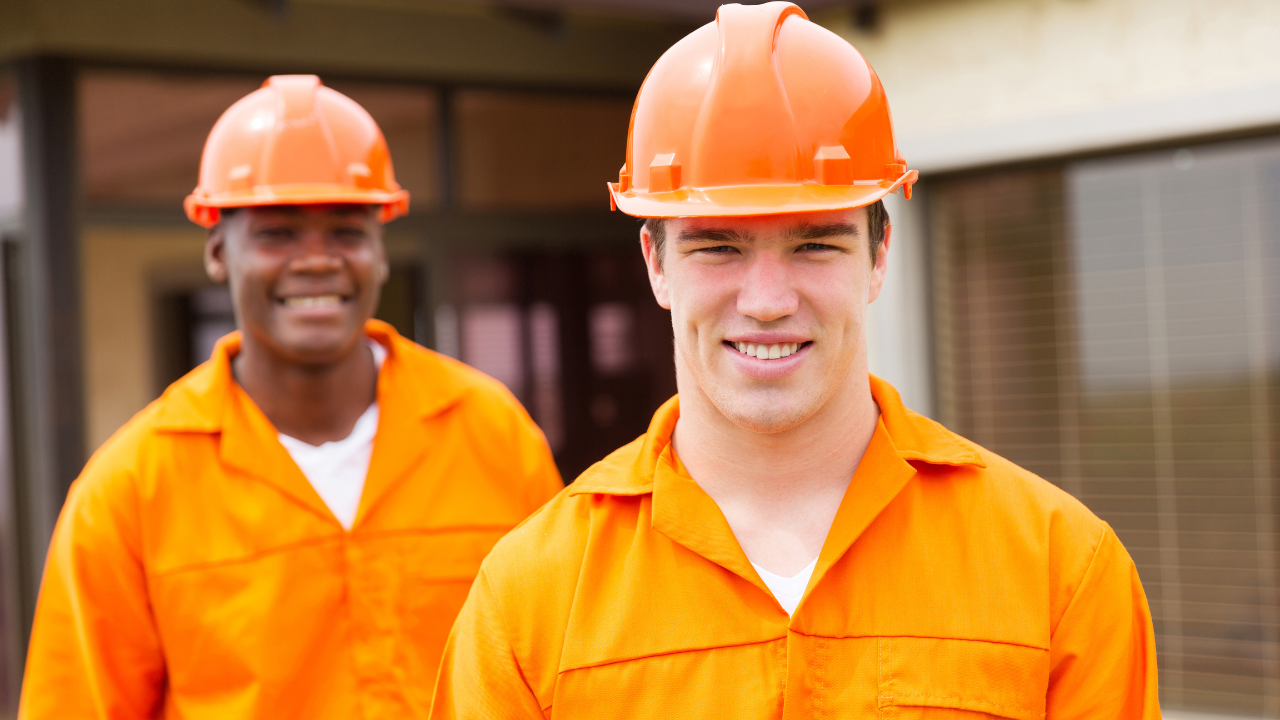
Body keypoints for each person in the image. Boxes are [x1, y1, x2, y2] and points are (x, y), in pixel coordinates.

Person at [430, 4, 1159, 718]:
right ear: (655, 264)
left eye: (815, 244)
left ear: (877, 256)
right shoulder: (529, 600)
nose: (769, 301)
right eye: (718, 246)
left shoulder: (1060, 569)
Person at [19, 75, 563, 719]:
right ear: (219, 251)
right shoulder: (131, 488)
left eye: (346, 232)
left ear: (380, 250)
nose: (316, 261)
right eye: (277, 233)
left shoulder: (492, 434)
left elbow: (559, 673)